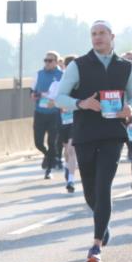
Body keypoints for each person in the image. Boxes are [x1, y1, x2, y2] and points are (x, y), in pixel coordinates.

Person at [56, 20, 132, 262]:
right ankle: (103, 226)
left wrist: (131, 107)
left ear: (112, 36)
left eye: (102, 33)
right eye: (94, 34)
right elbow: (60, 96)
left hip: (113, 132)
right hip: (85, 133)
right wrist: (81, 103)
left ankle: (95, 246)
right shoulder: (78, 65)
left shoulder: (126, 67)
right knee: (90, 191)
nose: (97, 37)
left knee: (104, 187)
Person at [31, 52, 63, 178]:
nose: (47, 63)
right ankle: (48, 155)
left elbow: (66, 92)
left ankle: (48, 170)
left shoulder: (61, 75)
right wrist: (37, 95)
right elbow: (32, 92)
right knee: (38, 143)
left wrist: (56, 101)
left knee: (52, 142)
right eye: (46, 60)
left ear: (56, 61)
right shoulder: (39, 74)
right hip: (40, 112)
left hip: (54, 113)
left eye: (50, 60)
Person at [58, 55, 78, 193]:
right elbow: (52, 101)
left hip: (75, 121)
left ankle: (71, 180)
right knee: (66, 151)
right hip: (62, 121)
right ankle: (67, 167)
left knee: (71, 150)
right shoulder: (58, 83)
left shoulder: (81, 82)